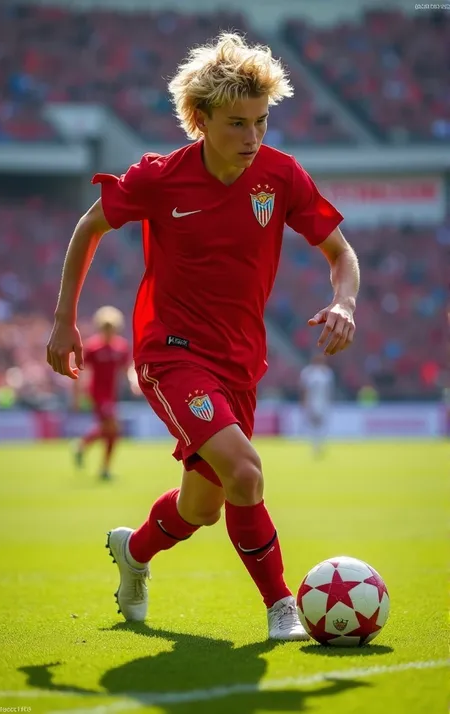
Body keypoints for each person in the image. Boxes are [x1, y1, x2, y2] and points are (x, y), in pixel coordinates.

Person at [46, 32, 359, 641]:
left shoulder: (280, 175)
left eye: (261, 122)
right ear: (201, 119)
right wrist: (64, 319)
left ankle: (133, 551)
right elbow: (88, 228)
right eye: (238, 124)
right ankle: (281, 607)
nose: (253, 137)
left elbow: (340, 253)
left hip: (240, 362)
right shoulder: (160, 178)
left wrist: (344, 302)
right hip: (170, 353)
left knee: (202, 508)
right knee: (245, 471)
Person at [73, 306, 130, 481]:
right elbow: (81, 371)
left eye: (111, 328)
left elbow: (125, 370)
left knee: (110, 431)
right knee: (113, 428)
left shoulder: (121, 347)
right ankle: (103, 467)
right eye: (105, 327)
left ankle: (83, 446)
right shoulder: (92, 347)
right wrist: (78, 394)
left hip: (112, 395)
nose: (108, 331)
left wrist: (132, 385)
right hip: (98, 394)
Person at [299, 354, 335, 458]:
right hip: (317, 402)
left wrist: (304, 402)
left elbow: (303, 390)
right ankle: (317, 447)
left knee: (318, 426)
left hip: (319, 402)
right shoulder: (324, 373)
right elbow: (304, 390)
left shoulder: (311, 372)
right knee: (317, 425)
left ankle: (317, 447)